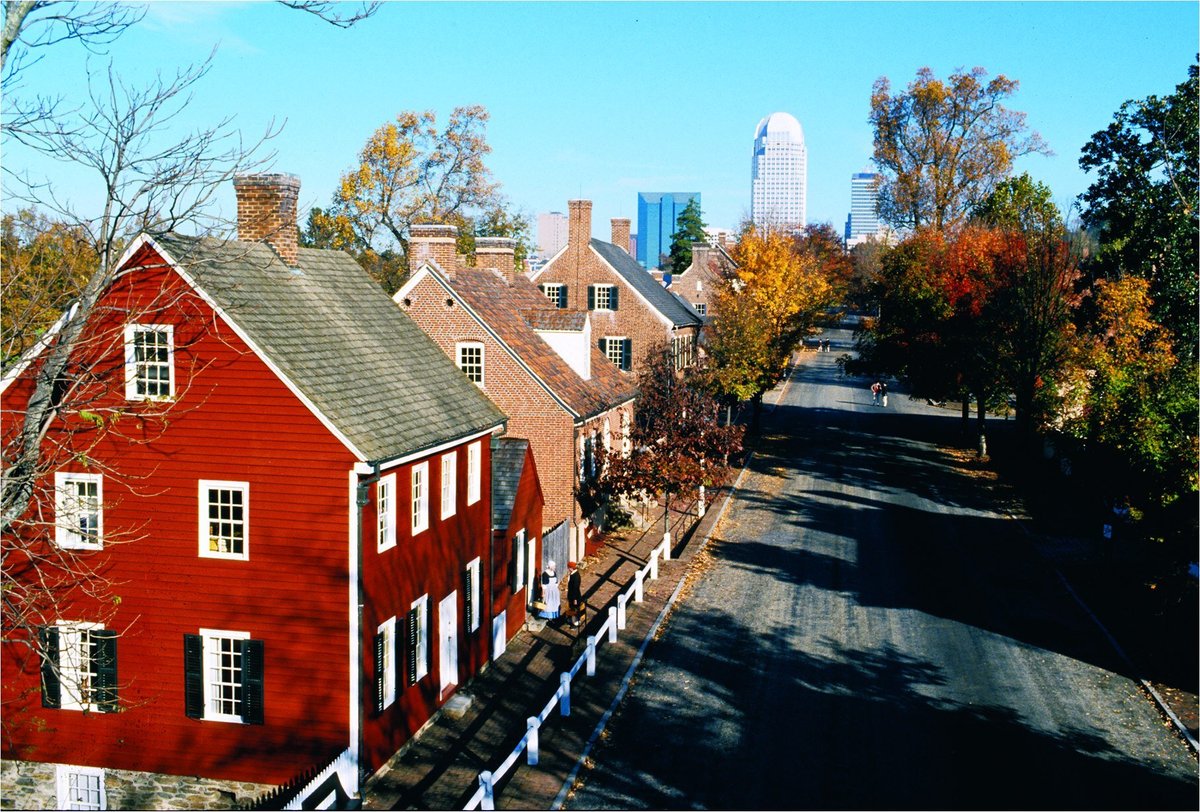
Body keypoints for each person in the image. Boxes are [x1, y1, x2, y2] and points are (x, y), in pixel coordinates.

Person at [566, 561, 583, 628]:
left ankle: (575, 623)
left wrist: (575, 599)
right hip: (573, 596)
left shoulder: (575, 576)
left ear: (571, 568)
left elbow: (575, 588)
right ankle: (573, 621)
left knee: (574, 610)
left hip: (574, 596)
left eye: (569, 568)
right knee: (572, 609)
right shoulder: (574, 574)